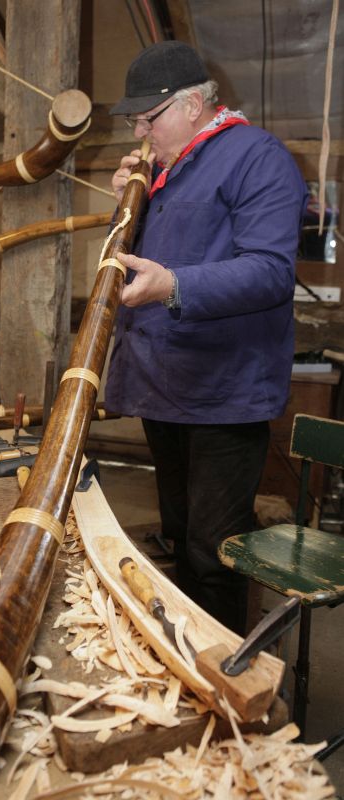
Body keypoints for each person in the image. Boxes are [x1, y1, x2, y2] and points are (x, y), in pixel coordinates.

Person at [105, 40, 308, 635]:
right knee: (178, 534)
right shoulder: (168, 169)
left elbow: (271, 271)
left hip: (224, 390)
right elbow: (142, 257)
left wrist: (172, 284)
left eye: (149, 118)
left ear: (192, 105)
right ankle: (181, 655)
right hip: (164, 385)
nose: (140, 133)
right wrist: (128, 205)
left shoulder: (257, 157)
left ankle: (218, 666)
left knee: (213, 551)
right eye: (136, 121)